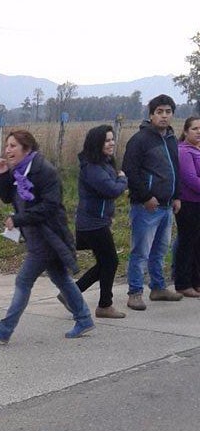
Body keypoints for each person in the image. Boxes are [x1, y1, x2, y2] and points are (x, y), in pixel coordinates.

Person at [0, 130, 94, 343]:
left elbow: (50, 207)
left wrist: (19, 219)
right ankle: (84, 318)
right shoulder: (19, 170)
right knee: (61, 278)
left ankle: (5, 329)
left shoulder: (44, 171)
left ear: (27, 148)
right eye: (7, 146)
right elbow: (6, 198)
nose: (8, 150)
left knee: (23, 280)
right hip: (35, 236)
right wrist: (3, 174)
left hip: (48, 236)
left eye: (13, 146)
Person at [122, 94, 183, 311]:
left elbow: (176, 170)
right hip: (146, 207)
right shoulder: (140, 140)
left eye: (168, 112)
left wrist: (177, 195)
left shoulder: (171, 139)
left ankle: (158, 287)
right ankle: (135, 292)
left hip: (167, 205)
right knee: (141, 251)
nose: (164, 116)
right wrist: (145, 197)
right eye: (160, 112)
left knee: (160, 250)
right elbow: (130, 171)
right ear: (151, 115)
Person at [68, 125, 128, 318]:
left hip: (98, 220)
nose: (111, 143)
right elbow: (111, 189)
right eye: (106, 140)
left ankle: (72, 294)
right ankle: (104, 305)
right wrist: (123, 179)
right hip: (92, 223)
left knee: (105, 262)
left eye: (112, 139)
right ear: (96, 143)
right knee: (110, 261)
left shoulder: (103, 162)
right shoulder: (93, 168)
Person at [173, 116, 200, 297]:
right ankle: (183, 282)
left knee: (197, 244)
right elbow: (191, 179)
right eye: (195, 129)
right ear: (185, 131)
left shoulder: (197, 150)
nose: (199, 132)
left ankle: (196, 281)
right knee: (187, 242)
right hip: (188, 203)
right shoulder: (184, 151)